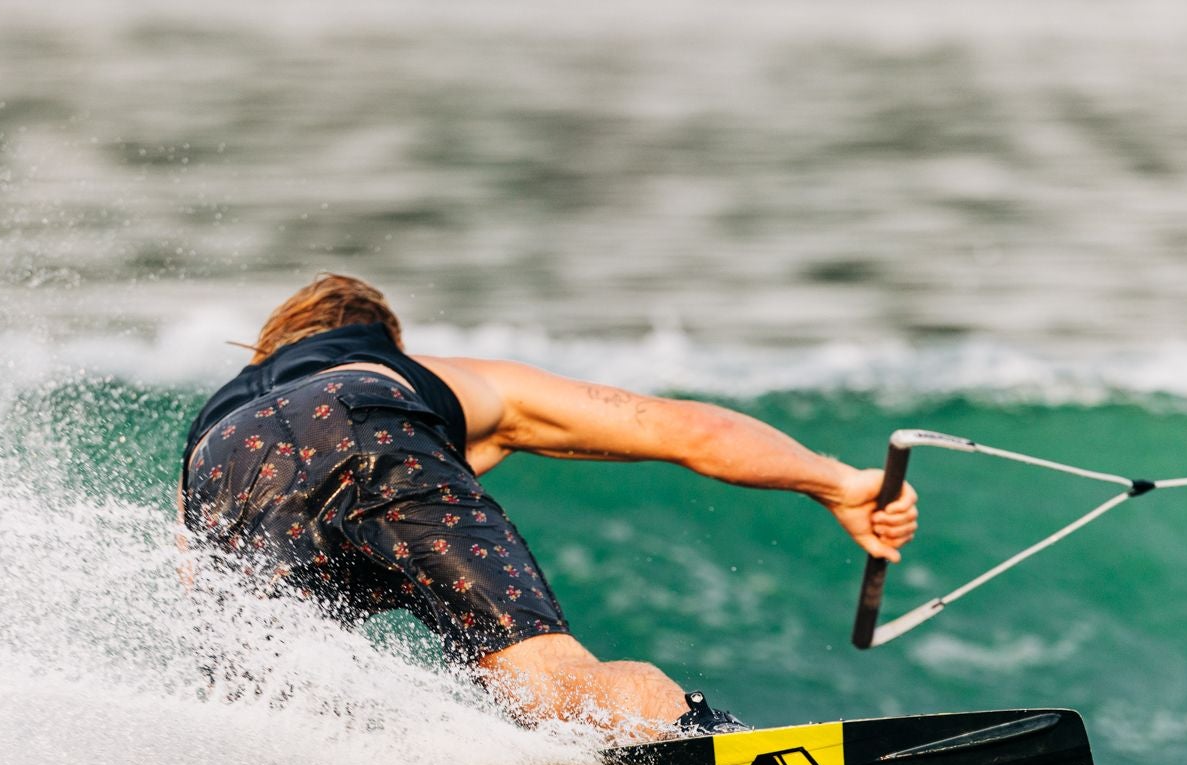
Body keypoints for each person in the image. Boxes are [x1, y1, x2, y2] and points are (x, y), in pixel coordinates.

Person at [182, 274, 919, 739]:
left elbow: (204, 602)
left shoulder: (210, 431)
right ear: (383, 338)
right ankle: (713, 752)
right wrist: (837, 482)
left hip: (228, 480)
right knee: (548, 685)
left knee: (269, 717)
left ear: (269, 348)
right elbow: (683, 429)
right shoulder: (410, 374)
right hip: (366, 423)